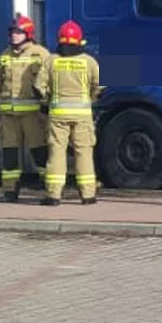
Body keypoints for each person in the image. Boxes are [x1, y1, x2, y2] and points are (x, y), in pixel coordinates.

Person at [0, 14, 51, 202]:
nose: (14, 35)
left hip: (33, 117)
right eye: (12, 32)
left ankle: (50, 191)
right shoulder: (4, 56)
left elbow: (50, 82)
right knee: (10, 155)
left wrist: (47, 107)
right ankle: (10, 192)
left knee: (40, 154)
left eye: (18, 32)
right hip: (8, 117)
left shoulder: (41, 54)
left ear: (28, 34)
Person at [34, 20, 102, 206]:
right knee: (84, 152)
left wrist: (46, 102)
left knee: (56, 153)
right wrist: (91, 99)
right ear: (80, 41)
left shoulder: (52, 61)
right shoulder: (89, 62)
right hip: (83, 116)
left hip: (57, 116)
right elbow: (100, 86)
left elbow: (38, 87)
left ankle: (53, 195)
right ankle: (88, 195)